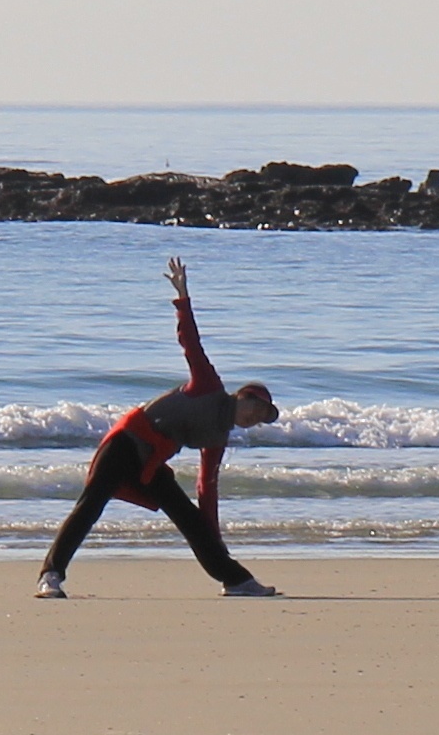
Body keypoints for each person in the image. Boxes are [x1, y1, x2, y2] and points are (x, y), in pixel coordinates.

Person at [40, 255, 281, 595]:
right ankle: (50, 576)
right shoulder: (209, 387)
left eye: (260, 419)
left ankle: (236, 579)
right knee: (91, 504)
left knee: (189, 516)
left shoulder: (218, 438)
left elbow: (206, 490)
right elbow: (191, 344)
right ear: (241, 396)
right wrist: (183, 298)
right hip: (126, 442)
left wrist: (214, 536)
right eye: (254, 407)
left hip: (151, 462)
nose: (253, 417)